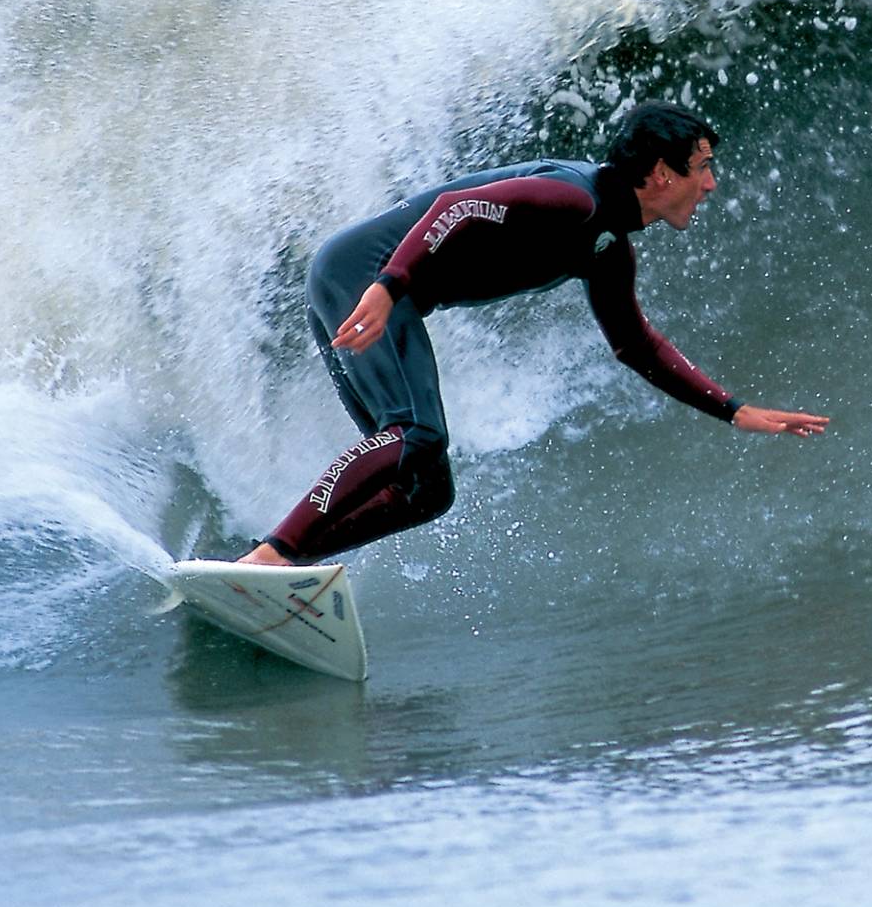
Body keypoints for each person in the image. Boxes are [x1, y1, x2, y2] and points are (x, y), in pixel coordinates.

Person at [237, 102, 829, 565]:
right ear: (660, 173)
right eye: (701, 169)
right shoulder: (572, 198)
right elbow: (459, 208)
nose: (710, 184)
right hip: (361, 279)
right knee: (413, 431)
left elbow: (635, 346)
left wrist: (733, 410)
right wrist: (391, 285)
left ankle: (282, 568)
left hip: (378, 290)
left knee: (426, 489)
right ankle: (272, 555)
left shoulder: (607, 248)